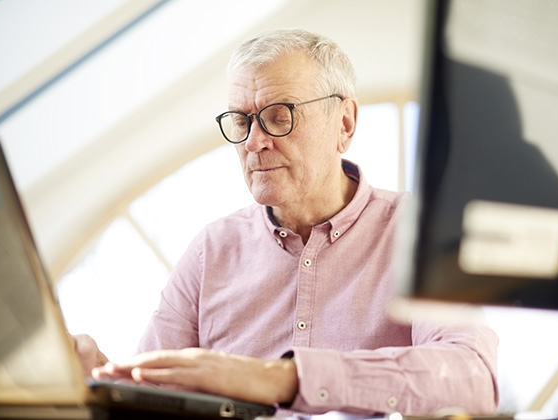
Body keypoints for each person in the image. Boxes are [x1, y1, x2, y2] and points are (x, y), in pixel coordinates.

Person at [76, 28, 498, 415]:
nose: (254, 143)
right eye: (241, 121)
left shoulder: (418, 232)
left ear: (345, 123)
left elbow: (470, 376)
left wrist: (280, 378)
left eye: (279, 116)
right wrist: (97, 380)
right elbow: (150, 401)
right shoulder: (211, 252)